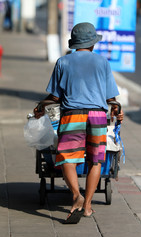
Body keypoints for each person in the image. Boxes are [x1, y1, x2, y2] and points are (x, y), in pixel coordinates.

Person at [34, 22, 124, 224]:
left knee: (67, 158)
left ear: (74, 44)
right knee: (96, 161)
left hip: (73, 115)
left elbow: (55, 97)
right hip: (98, 116)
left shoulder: (63, 62)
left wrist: (40, 106)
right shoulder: (102, 62)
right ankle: (88, 206)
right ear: (92, 44)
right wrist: (117, 110)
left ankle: (76, 195)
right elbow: (110, 97)